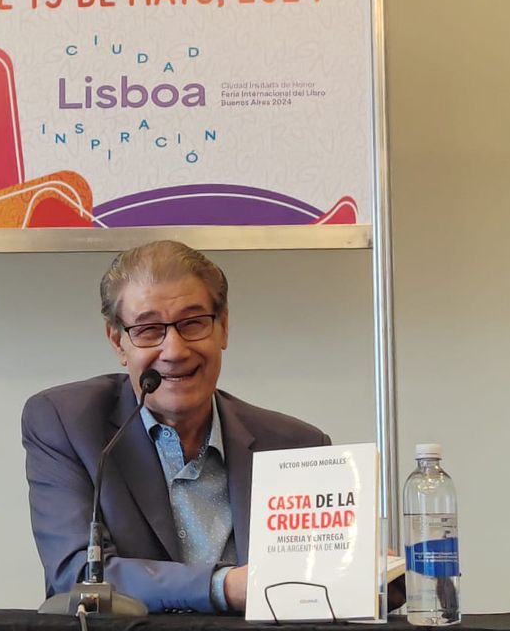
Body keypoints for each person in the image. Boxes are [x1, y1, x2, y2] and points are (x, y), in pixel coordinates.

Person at [21, 240, 329, 614]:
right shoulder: (68, 424)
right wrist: (223, 586)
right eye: (149, 329)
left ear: (223, 328)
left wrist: (364, 581)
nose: (175, 351)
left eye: (193, 323)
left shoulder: (296, 447)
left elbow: (315, 584)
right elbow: (80, 577)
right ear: (118, 342)